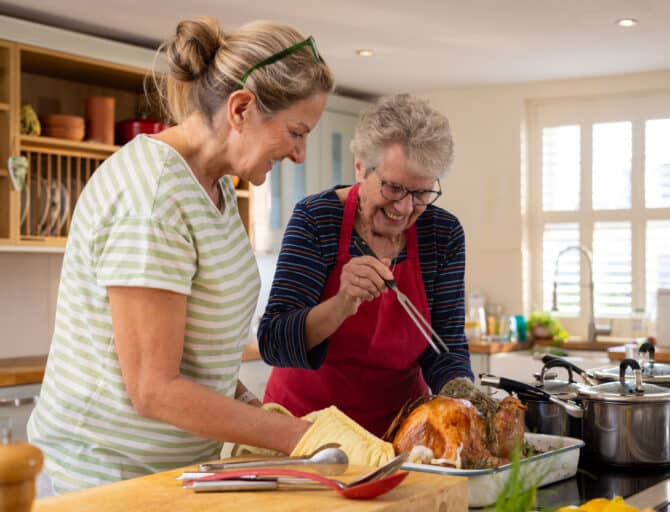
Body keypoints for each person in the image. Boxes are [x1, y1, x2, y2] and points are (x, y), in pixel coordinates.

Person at [27, 17, 391, 495]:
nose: (301, 155)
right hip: (103, 481)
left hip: (172, 473)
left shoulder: (216, 187)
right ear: (241, 109)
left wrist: (254, 408)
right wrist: (302, 437)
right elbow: (153, 389)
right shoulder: (152, 200)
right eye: (297, 132)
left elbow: (198, 355)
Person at [258, 94, 474, 437]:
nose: (404, 208)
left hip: (400, 435)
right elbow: (274, 342)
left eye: (421, 194)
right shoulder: (316, 220)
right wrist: (342, 303)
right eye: (393, 188)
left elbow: (444, 346)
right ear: (360, 167)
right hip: (305, 432)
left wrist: (464, 399)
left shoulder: (442, 234)